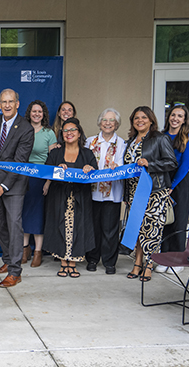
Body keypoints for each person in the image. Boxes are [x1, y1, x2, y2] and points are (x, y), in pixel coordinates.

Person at [0, 88, 34, 288]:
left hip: (13, 186)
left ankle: (15, 271)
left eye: (10, 101)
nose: (7, 105)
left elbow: (20, 162)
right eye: (3, 102)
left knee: (14, 226)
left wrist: (3, 187)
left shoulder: (26, 128)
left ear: (17, 104)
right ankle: (7, 260)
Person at [124, 106, 177, 282]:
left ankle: (148, 264)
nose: (140, 120)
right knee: (138, 229)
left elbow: (171, 163)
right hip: (134, 192)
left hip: (153, 192)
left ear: (151, 120)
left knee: (152, 230)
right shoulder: (131, 140)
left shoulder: (160, 138)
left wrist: (150, 164)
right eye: (136, 118)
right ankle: (137, 262)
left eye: (144, 117)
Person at [43, 118, 98, 278]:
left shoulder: (87, 153)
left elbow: (96, 175)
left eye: (72, 130)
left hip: (80, 198)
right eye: (65, 130)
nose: (69, 133)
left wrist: (90, 169)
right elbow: (46, 172)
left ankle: (73, 262)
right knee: (60, 227)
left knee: (78, 228)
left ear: (79, 133)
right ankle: (63, 262)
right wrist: (57, 169)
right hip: (59, 197)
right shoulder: (55, 153)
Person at [84, 108, 126, 275]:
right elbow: (84, 161)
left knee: (110, 229)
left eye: (112, 121)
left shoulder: (122, 143)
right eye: (105, 120)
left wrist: (118, 167)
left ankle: (109, 262)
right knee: (93, 228)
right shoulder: (90, 141)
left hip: (112, 193)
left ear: (116, 124)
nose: (108, 123)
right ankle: (92, 259)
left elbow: (125, 166)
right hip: (92, 193)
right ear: (100, 122)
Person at [158, 105, 189, 272]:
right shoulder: (161, 136)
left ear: (184, 120)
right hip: (162, 181)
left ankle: (178, 260)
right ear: (169, 117)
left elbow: (185, 165)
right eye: (173, 115)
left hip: (179, 183)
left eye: (180, 116)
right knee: (165, 220)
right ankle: (165, 258)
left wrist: (172, 186)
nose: (175, 118)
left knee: (179, 221)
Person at [21, 100, 56, 268]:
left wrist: (49, 181)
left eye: (40, 111)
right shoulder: (22, 130)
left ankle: (38, 252)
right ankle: (25, 249)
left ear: (44, 114)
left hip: (41, 179)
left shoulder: (49, 133)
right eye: (34, 111)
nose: (37, 114)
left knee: (37, 216)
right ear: (29, 113)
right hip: (23, 178)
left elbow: (53, 159)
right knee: (23, 213)